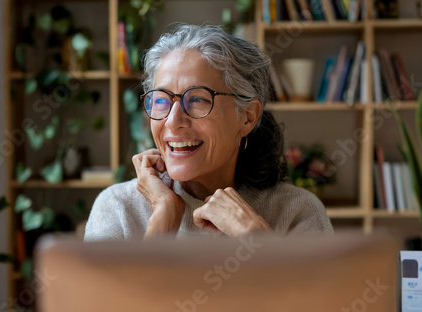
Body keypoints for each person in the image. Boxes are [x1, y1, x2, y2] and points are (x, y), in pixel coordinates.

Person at [84, 25, 333, 241]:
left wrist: (255, 236)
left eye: (198, 100)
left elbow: (314, 297)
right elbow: (113, 299)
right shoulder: (118, 208)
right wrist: (163, 219)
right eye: (161, 101)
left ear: (247, 117)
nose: (172, 121)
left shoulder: (297, 212)